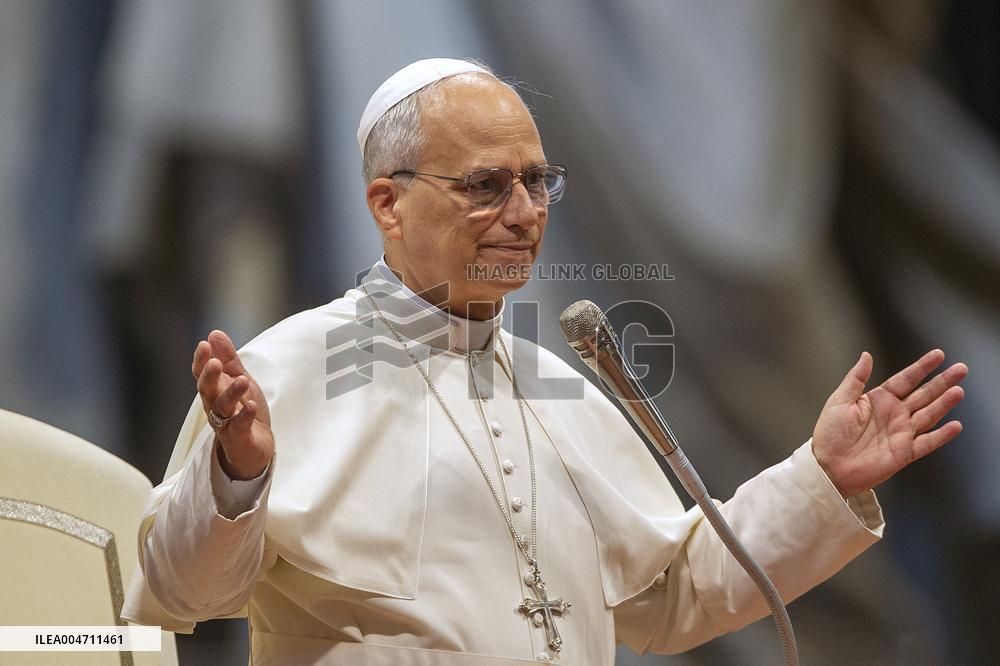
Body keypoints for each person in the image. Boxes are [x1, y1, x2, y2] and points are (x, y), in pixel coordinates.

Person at [122, 58, 968, 664]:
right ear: (388, 202)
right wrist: (235, 475)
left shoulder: (566, 386)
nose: (524, 213)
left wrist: (822, 476)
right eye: (487, 186)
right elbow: (179, 598)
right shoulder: (288, 370)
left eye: (538, 183)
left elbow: (673, 602)